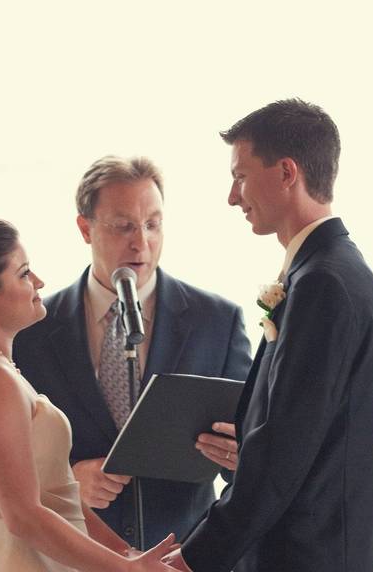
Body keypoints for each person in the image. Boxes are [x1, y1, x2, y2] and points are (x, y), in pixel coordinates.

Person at [165, 100, 373, 571]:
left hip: (306, 556)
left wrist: (192, 560)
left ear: (287, 172)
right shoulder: (329, 272)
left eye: (241, 175)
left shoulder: (324, 285)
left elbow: (285, 451)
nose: (233, 196)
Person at [14, 156, 253, 549]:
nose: (141, 242)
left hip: (183, 556)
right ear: (84, 228)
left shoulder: (218, 321)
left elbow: (249, 451)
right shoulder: (32, 330)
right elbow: (5, 458)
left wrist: (241, 454)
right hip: (72, 554)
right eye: (123, 226)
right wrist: (67, 481)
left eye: (152, 224)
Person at [0, 218, 177, 571]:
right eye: (23, 274)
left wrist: (125, 552)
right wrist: (128, 570)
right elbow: (24, 516)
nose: (39, 283)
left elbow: (56, 492)